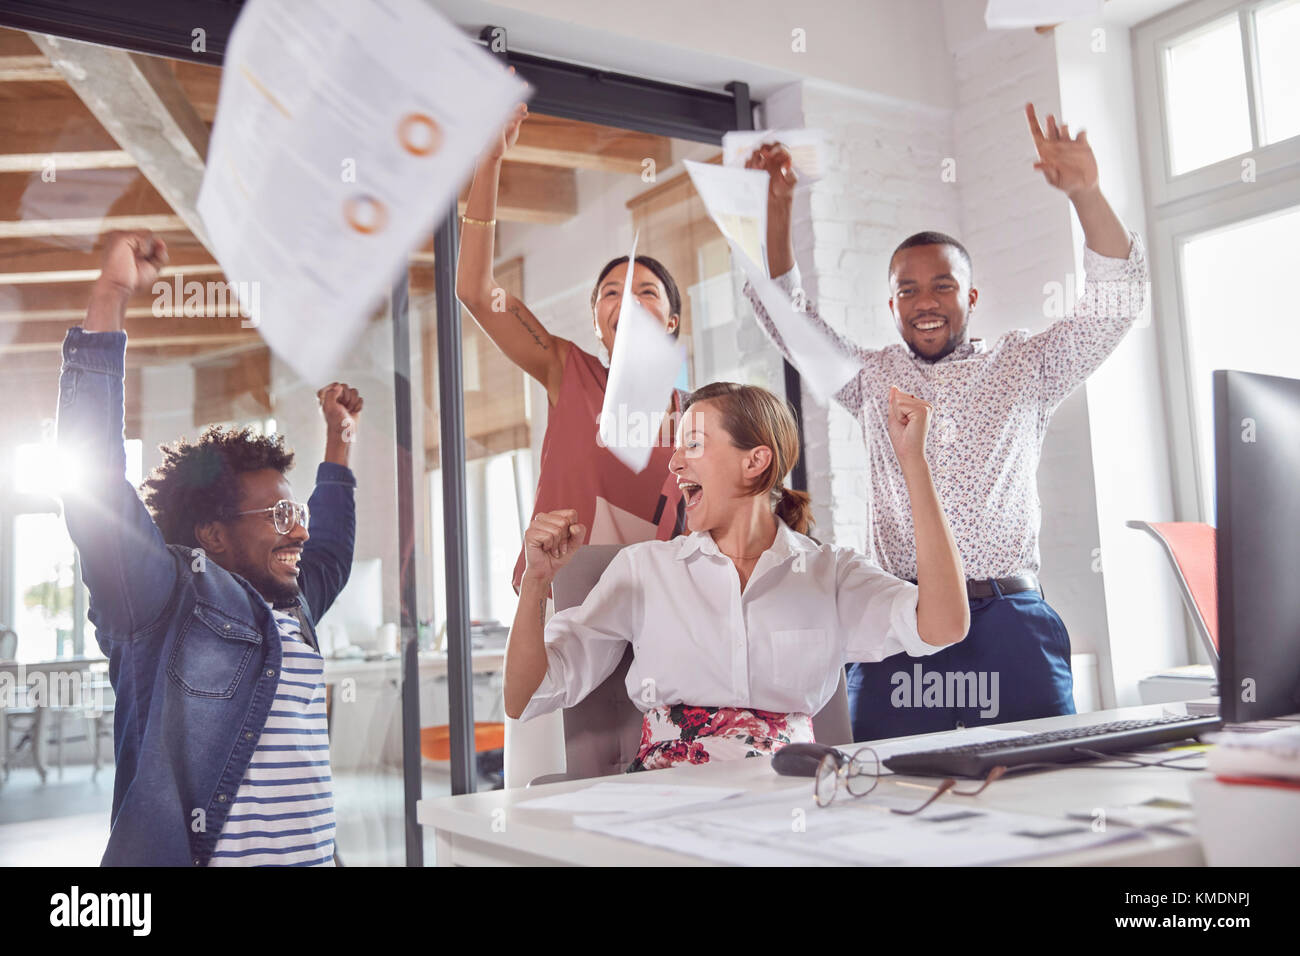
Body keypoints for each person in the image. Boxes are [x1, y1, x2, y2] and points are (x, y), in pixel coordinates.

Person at [743, 103, 1149, 741]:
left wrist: (1086, 193)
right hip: (902, 619)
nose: (924, 302)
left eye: (942, 286)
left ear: (971, 297)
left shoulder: (1026, 366)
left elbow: (1114, 307)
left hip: (1008, 618)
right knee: (888, 786)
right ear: (892, 303)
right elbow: (785, 317)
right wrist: (776, 207)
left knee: (1037, 783)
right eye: (907, 289)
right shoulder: (872, 378)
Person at [58, 230, 364, 866]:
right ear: (214, 535)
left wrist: (339, 442)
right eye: (281, 515)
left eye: (297, 512)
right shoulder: (162, 602)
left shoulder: (292, 603)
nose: (299, 531)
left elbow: (331, 546)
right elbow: (94, 486)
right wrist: (111, 295)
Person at [503, 381, 968, 770]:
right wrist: (536, 586)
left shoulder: (830, 572)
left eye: (694, 444)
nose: (674, 462)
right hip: (666, 807)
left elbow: (944, 625)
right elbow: (524, 697)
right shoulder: (644, 570)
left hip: (791, 802)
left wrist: (914, 463)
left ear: (755, 461)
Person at [456, 100, 687, 593]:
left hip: (647, 620)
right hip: (555, 608)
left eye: (645, 292)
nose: (625, 300)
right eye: (610, 293)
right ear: (598, 324)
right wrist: (489, 162)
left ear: (671, 322)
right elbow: (475, 289)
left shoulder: (694, 417)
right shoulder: (569, 370)